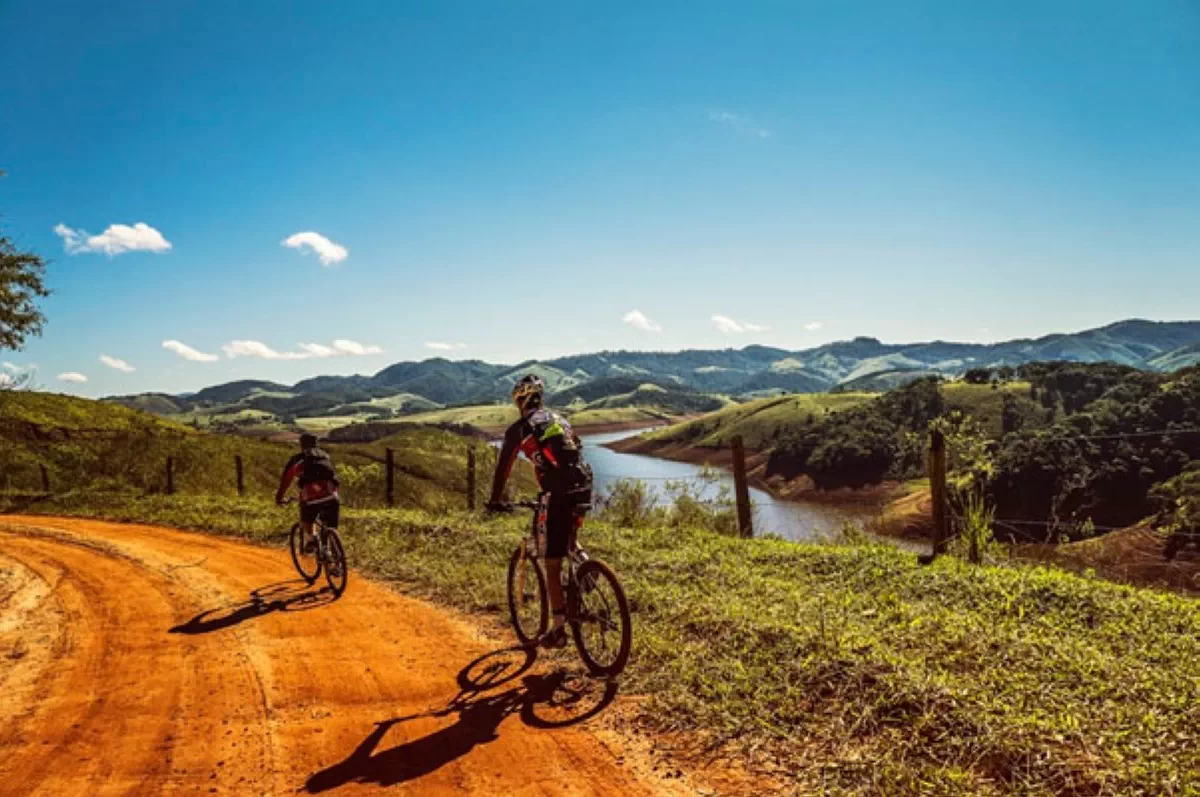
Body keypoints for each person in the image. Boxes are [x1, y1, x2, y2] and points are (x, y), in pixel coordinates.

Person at [487, 375, 593, 649]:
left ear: (520, 402)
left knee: (552, 561)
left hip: (556, 494)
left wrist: (495, 500)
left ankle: (558, 630)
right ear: (540, 399)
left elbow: (503, 469)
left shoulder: (519, 429)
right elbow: (577, 450)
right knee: (568, 540)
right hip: (583, 485)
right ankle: (587, 568)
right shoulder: (560, 419)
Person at [275, 433, 341, 551]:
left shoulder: (297, 459)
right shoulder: (325, 456)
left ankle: (311, 541)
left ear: (301, 445)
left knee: (307, 519)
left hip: (311, 499)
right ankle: (336, 559)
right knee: (331, 527)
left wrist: (279, 497)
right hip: (332, 496)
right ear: (316, 443)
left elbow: (286, 480)